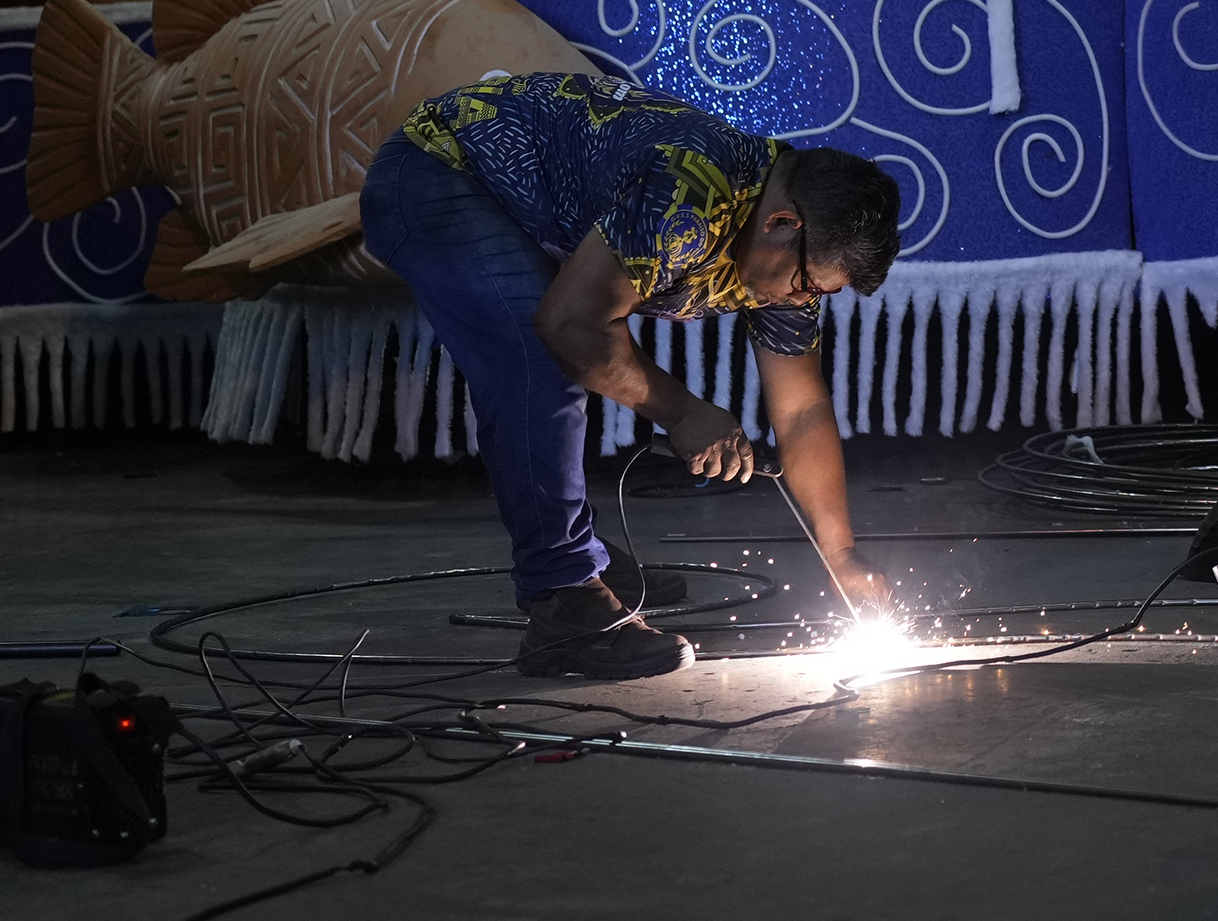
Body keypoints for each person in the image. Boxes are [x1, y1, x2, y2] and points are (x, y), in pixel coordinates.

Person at [360, 70, 901, 677]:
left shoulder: (783, 251)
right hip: (441, 170)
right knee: (543, 358)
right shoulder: (690, 195)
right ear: (782, 224)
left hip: (519, 204)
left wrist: (842, 553)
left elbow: (801, 409)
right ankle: (564, 600)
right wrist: (684, 412)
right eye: (804, 283)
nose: (798, 299)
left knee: (561, 344)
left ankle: (575, 554)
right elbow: (573, 327)